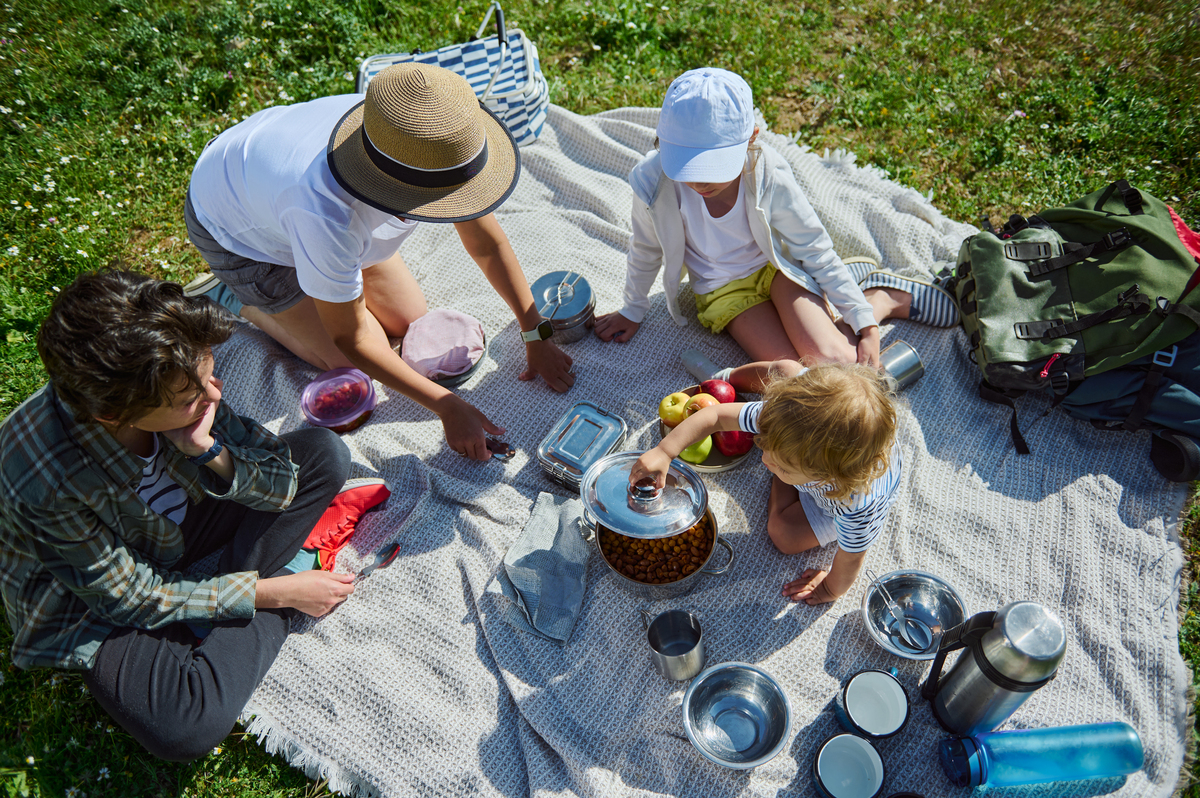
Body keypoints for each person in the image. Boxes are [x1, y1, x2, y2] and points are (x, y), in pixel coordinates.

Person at [0, 271, 382, 761]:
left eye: (209, 375)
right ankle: (273, 592)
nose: (214, 397)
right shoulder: (41, 477)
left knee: (324, 453)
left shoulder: (175, 373)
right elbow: (129, 597)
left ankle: (231, 602)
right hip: (88, 595)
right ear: (114, 417)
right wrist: (274, 594)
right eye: (189, 401)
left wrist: (209, 452)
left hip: (186, 521)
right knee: (182, 727)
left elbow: (280, 476)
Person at [184, 62, 574, 462]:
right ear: (395, 193)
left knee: (411, 318)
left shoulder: (418, 134)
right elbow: (351, 339)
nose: (456, 211)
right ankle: (233, 295)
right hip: (242, 238)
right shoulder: (325, 212)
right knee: (349, 365)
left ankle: (330, 274)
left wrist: (535, 332)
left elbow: (486, 245)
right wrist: (446, 406)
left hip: (285, 200)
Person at [593, 67, 957, 367]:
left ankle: (880, 299)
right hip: (723, 291)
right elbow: (645, 250)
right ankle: (864, 296)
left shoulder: (767, 174)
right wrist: (633, 308)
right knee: (798, 379)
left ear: (751, 138)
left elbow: (814, 248)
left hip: (778, 268)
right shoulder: (652, 184)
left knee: (838, 361)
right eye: (686, 165)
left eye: (713, 166)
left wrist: (864, 320)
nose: (698, 180)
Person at [630, 361, 901, 605]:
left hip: (830, 501)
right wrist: (665, 451)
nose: (764, 458)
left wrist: (830, 589)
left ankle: (789, 483)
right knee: (785, 370)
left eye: (782, 464)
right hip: (814, 460)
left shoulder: (855, 505)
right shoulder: (783, 417)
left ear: (826, 474)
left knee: (785, 536)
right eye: (765, 443)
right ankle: (727, 376)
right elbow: (714, 416)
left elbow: (852, 557)